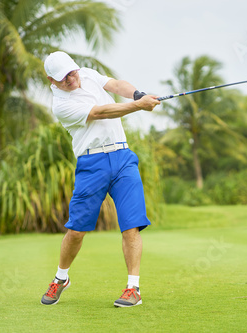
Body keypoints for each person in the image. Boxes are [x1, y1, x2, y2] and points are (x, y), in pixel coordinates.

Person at [40, 51, 160, 307]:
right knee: (76, 231)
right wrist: (139, 106)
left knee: (131, 224)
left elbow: (116, 86)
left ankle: (133, 289)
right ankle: (61, 278)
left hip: (123, 157)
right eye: (64, 78)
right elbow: (102, 112)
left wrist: (138, 95)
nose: (72, 79)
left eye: (72, 72)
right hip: (91, 164)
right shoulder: (61, 104)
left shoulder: (86, 74)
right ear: (52, 80)